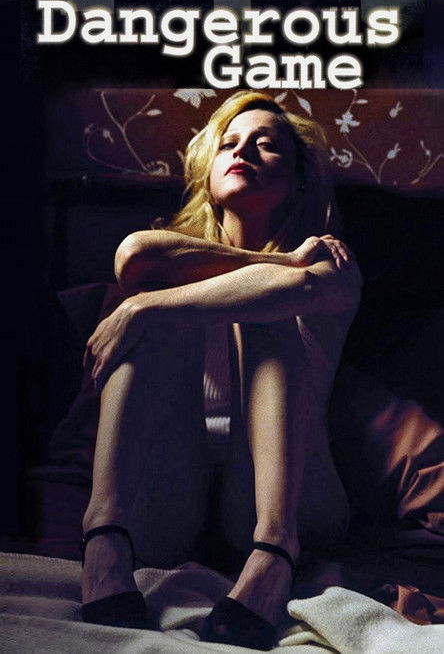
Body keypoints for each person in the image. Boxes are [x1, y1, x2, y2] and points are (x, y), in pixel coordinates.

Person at [80, 90, 362, 649]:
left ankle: (274, 554)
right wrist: (144, 307)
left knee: (267, 310)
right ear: (208, 176)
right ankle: (104, 537)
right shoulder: (184, 260)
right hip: (173, 496)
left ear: (299, 180)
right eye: (229, 144)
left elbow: (299, 287)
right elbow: (134, 256)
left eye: (266, 145)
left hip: (293, 500)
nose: (242, 152)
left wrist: (287, 269)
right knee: (152, 308)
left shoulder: (331, 262)